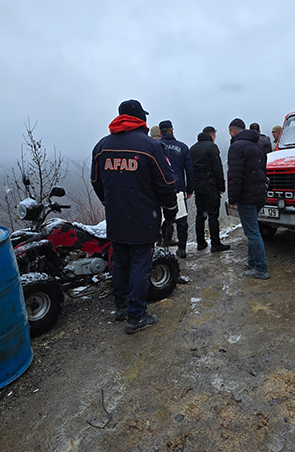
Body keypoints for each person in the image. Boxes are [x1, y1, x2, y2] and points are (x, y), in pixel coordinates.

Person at [90, 100, 177, 334]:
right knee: (140, 266)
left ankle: (121, 307)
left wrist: (110, 202)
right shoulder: (150, 146)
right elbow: (167, 184)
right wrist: (170, 212)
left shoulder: (102, 146)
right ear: (141, 119)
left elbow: (96, 182)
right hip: (143, 217)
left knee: (120, 263)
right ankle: (136, 316)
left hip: (116, 216)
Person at [228, 118, 270, 279]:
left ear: (232, 131)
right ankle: (253, 261)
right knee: (254, 229)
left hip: (247, 196)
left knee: (252, 232)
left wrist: (233, 199)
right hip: (259, 194)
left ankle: (260, 268)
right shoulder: (258, 144)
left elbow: (235, 175)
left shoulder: (236, 147)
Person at [190, 125, 230, 252]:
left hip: (198, 187)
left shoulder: (193, 149)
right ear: (212, 135)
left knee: (200, 215)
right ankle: (215, 243)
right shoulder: (212, 147)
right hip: (210, 186)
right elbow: (217, 168)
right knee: (213, 215)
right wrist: (221, 186)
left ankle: (200, 242)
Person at [158, 120, 194, 258]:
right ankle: (182, 248)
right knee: (181, 219)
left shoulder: (156, 147)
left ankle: (165, 249)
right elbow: (189, 170)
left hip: (161, 189)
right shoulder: (182, 147)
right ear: (172, 130)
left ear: (160, 132)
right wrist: (189, 189)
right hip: (178, 188)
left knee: (164, 219)